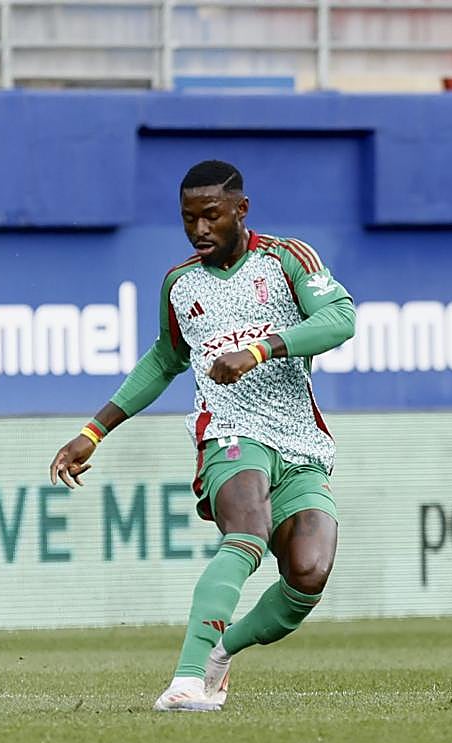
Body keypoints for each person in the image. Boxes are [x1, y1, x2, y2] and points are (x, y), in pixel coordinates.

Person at [48, 160, 356, 712]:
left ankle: (220, 654)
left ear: (241, 209)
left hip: (300, 443)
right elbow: (163, 362)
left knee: (309, 574)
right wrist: (93, 432)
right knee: (248, 533)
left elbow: (339, 318)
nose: (199, 230)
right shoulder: (180, 284)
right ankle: (186, 680)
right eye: (188, 219)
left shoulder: (288, 260)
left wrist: (258, 350)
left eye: (211, 216)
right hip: (229, 435)